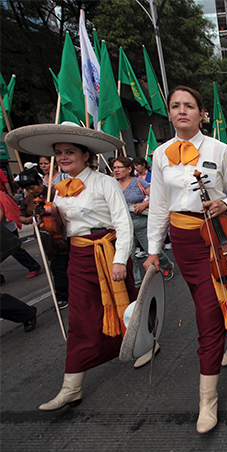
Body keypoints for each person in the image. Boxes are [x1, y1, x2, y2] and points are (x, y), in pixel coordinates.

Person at [5, 121, 136, 411]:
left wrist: (119, 261)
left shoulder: (105, 182)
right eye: (59, 153)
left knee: (125, 305)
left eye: (69, 152)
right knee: (80, 319)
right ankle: (71, 387)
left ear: (86, 155)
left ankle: (143, 342)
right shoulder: (58, 190)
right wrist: (46, 219)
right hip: (78, 257)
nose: (63, 157)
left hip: (107, 251)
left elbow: (124, 224)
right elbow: (62, 227)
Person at [144, 86, 227, 434]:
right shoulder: (160, 155)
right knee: (209, 302)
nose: (182, 111)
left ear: (202, 113)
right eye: (176, 106)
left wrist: (225, 204)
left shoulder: (218, 149)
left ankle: (208, 400)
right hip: (183, 241)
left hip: (214, 236)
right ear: (169, 113)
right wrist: (154, 250)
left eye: (189, 106)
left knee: (206, 312)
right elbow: (158, 206)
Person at [113, 156, 173, 290]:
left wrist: (144, 203)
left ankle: (167, 265)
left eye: (119, 167)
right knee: (129, 255)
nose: (116, 170)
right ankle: (137, 284)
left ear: (129, 169)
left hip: (141, 222)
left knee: (151, 249)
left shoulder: (139, 182)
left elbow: (158, 197)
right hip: (123, 225)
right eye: (114, 167)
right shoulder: (113, 185)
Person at [16, 168, 70, 309]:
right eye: (27, 189)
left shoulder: (55, 192)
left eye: (33, 187)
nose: (31, 191)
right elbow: (21, 216)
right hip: (45, 238)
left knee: (64, 265)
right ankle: (64, 294)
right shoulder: (29, 199)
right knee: (57, 266)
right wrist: (31, 219)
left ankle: (66, 294)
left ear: (40, 182)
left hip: (62, 234)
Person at [0, 189, 41, 282]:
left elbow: (1, 212)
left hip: (7, 230)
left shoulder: (0, 195)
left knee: (15, 250)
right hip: (4, 229)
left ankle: (34, 266)